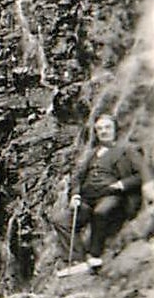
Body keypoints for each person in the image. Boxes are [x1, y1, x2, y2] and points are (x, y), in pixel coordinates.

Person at [58, 112, 147, 267]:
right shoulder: (91, 154)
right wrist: (75, 195)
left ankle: (95, 254)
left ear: (115, 130)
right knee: (61, 221)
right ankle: (77, 259)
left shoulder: (127, 150)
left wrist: (122, 184)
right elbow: (77, 178)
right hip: (87, 197)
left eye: (107, 127)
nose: (104, 131)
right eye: (100, 129)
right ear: (96, 133)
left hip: (111, 194)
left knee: (101, 212)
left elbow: (141, 174)